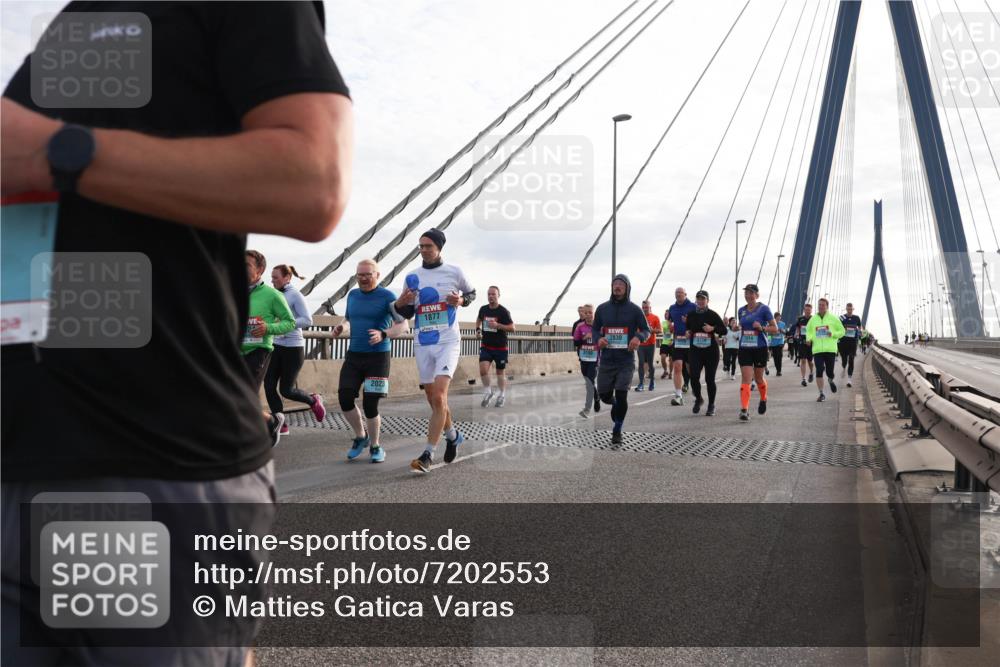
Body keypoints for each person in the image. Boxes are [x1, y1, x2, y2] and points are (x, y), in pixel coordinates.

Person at [0, 3, 352, 665]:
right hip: (18, 461)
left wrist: (57, 150)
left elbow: (314, 180)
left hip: (149, 466)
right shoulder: (76, 22)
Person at [394, 230, 476, 473]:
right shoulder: (412, 277)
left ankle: (428, 454)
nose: (423, 250)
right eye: (420, 246)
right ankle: (453, 436)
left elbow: (471, 293)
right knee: (432, 398)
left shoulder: (454, 271)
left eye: (428, 246)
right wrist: (401, 302)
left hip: (447, 340)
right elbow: (407, 313)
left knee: (440, 396)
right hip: (422, 341)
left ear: (439, 247)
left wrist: (460, 301)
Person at [333, 259, 405, 463]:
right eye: (360, 275)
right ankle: (360, 437)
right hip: (354, 354)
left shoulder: (388, 296)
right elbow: (348, 319)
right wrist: (341, 327)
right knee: (345, 398)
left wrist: (384, 334)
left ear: (377, 275)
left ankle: (375, 445)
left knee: (370, 404)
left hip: (378, 357)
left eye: (368, 275)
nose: (363, 279)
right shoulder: (353, 295)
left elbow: (403, 325)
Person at [265, 264, 327, 436]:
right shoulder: (274, 294)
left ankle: (313, 400)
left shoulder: (295, 295)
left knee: (287, 390)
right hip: (275, 345)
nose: (272, 280)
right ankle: (280, 424)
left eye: (275, 277)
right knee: (269, 385)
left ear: (287, 278)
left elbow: (307, 320)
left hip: (293, 347)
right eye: (272, 277)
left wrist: (284, 325)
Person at [243, 250, 296, 443]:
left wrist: (268, 328)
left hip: (259, 350)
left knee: (244, 396)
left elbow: (290, 322)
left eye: (247, 265)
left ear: (260, 270)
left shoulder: (272, 295)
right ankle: (271, 422)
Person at [593, 275, 650, 445]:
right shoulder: (602, 309)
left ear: (627, 288)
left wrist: (638, 337)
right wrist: (598, 339)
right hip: (607, 360)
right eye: (614, 284)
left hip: (625, 360)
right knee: (604, 395)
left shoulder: (634, 310)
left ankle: (617, 429)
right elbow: (595, 329)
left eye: (620, 284)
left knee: (622, 393)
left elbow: (646, 330)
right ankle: (614, 403)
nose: (617, 286)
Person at [736, 284, 778, 421]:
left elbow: (775, 328)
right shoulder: (741, 310)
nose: (748, 295)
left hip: (760, 347)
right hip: (745, 347)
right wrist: (736, 327)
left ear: (757, 295)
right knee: (746, 379)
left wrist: (762, 328)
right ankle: (744, 409)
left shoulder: (764, 309)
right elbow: (742, 326)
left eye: (751, 293)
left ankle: (763, 398)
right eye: (746, 293)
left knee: (758, 378)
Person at [684, 290, 727, 416]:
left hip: (710, 352)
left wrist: (712, 328)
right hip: (695, 350)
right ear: (696, 300)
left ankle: (711, 405)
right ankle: (699, 398)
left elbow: (724, 330)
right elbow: (688, 328)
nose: (701, 301)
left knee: (709, 379)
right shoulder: (691, 315)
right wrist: (688, 333)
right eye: (699, 299)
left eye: (703, 299)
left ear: (707, 301)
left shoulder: (712, 315)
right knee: (694, 376)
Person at [476, 286, 515, 407]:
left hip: (500, 347)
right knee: (483, 370)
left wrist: (498, 325)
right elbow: (479, 319)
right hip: (486, 345)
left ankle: (502, 395)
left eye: (493, 294)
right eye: (489, 294)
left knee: (500, 374)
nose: (491, 296)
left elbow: (512, 328)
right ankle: (488, 391)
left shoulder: (503, 311)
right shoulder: (483, 309)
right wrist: (478, 330)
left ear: (498, 295)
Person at [806, 297, 845, 402]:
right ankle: (821, 393)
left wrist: (833, 334)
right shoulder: (813, 319)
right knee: (819, 370)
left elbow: (842, 331)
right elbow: (808, 331)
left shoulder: (833, 318)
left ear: (827, 306)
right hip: (817, 350)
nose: (821, 307)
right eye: (819, 305)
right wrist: (808, 339)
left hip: (830, 349)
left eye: (823, 305)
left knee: (829, 372)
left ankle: (831, 379)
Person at [666, 287, 697, 405]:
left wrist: (689, 322)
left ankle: (696, 390)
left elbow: (699, 322)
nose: (678, 295)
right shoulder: (672, 308)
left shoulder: (693, 306)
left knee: (691, 369)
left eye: (680, 293)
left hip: (691, 342)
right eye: (676, 293)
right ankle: (678, 396)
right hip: (678, 341)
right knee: (678, 367)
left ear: (685, 294)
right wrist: (669, 326)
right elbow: (669, 321)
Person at [573, 304, 601, 418]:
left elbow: (604, 339)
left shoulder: (599, 326)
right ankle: (597, 397)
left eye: (590, 312)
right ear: (583, 314)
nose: (588, 315)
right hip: (584, 358)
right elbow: (575, 343)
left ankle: (587, 409)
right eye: (586, 313)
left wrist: (595, 336)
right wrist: (584, 339)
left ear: (593, 313)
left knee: (589, 382)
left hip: (595, 359)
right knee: (588, 382)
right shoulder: (579, 327)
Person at [635, 300, 660, 392]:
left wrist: (651, 330)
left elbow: (659, 330)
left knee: (650, 363)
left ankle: (652, 381)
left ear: (650, 308)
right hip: (641, 344)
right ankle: (641, 383)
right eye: (643, 307)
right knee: (641, 363)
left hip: (651, 344)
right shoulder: (638, 318)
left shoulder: (655, 317)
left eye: (647, 307)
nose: (645, 309)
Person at [838, 302, 863, 387]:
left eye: (850, 309)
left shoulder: (856, 318)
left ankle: (849, 379)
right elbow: (837, 327)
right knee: (844, 360)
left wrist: (860, 332)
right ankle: (844, 367)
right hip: (843, 341)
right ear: (846, 309)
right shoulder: (841, 317)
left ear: (853, 309)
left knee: (851, 359)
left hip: (852, 342)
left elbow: (859, 327)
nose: (849, 310)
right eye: (848, 309)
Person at [794, 304, 816, 387]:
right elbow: (797, 328)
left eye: (809, 310)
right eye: (806, 310)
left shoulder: (813, 319)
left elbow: (815, 331)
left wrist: (811, 339)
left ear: (811, 311)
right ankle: (803, 379)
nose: (807, 311)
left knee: (810, 361)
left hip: (810, 343)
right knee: (803, 360)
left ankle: (811, 372)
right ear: (804, 310)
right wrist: (796, 334)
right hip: (802, 342)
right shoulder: (800, 319)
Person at [769, 311, 787, 377]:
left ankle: (779, 371)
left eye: (779, 317)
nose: (779, 319)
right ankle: (777, 369)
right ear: (775, 318)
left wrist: (782, 331)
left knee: (780, 356)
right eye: (777, 318)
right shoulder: (771, 324)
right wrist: (773, 333)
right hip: (773, 343)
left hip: (780, 342)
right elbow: (769, 333)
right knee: (775, 357)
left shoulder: (783, 324)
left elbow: (785, 332)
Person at [659, 310, 674, 380]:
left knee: (671, 360)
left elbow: (674, 332)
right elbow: (662, 330)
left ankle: (671, 373)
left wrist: (673, 340)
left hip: (672, 342)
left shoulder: (674, 322)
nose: (665, 315)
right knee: (663, 357)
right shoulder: (663, 322)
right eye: (665, 314)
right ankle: (665, 371)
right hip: (664, 342)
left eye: (667, 314)